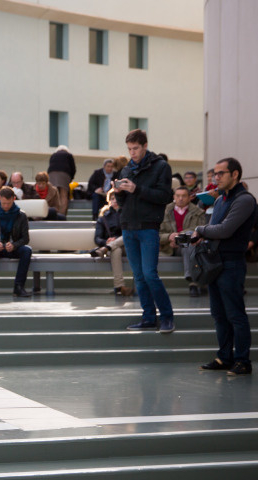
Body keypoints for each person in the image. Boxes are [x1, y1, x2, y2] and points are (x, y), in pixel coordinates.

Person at [193, 158, 258, 375]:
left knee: (235, 315)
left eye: (221, 173)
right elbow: (215, 230)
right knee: (219, 314)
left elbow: (225, 230)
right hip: (215, 262)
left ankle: (243, 361)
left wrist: (201, 230)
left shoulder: (245, 199)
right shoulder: (220, 200)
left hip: (231, 263)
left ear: (235, 174)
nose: (216, 177)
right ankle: (224, 357)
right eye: (215, 174)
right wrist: (199, 237)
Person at [114, 129, 175, 333]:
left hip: (148, 227)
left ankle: (166, 317)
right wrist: (118, 193)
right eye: (129, 149)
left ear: (145, 145)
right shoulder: (126, 170)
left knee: (150, 274)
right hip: (129, 227)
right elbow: (122, 203)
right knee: (139, 276)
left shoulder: (161, 167)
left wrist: (136, 189)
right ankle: (148, 317)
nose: (132, 153)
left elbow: (165, 196)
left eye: (136, 148)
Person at [0, 187, 33, 298]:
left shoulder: (21, 215)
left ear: (14, 199)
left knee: (27, 250)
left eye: (8, 203)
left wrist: (14, 245)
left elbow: (25, 238)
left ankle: (19, 287)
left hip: (12, 248)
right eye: (3, 203)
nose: (6, 206)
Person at [160, 186, 209, 297]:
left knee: (190, 239)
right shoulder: (164, 211)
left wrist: (177, 239)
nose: (180, 198)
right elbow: (156, 234)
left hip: (189, 245)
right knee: (189, 241)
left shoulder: (198, 212)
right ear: (174, 197)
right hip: (168, 247)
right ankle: (193, 283)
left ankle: (192, 282)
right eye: (178, 196)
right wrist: (169, 237)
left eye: (184, 196)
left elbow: (198, 231)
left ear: (190, 197)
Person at [90, 190, 134, 296]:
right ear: (109, 201)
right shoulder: (103, 218)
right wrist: (106, 241)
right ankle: (120, 286)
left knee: (127, 235)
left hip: (129, 246)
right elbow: (97, 239)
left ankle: (106, 248)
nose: (115, 201)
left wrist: (107, 245)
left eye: (117, 198)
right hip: (115, 249)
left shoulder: (129, 214)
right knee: (116, 250)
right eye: (112, 199)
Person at [46, 144, 76, 217]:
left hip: (52, 174)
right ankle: (61, 214)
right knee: (63, 194)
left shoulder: (53, 155)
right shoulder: (69, 155)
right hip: (64, 174)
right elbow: (73, 168)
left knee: (53, 193)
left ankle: (53, 213)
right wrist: (71, 178)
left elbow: (49, 166)